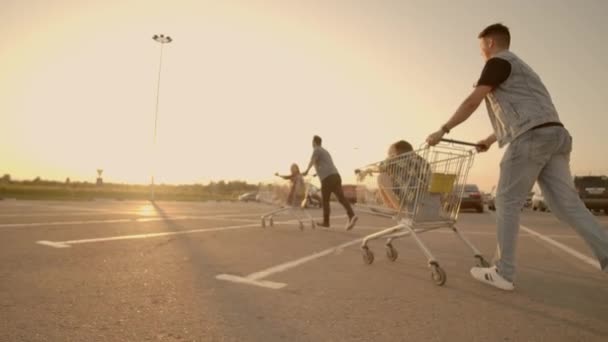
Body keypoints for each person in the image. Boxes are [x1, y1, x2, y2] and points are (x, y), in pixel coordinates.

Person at [426, 23, 608, 291]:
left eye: (481, 49)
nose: (482, 55)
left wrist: (443, 129)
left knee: (506, 200)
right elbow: (523, 111)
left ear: (489, 43)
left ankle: (504, 271)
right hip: (555, 135)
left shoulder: (498, 61)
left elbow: (472, 101)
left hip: (532, 138)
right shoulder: (524, 70)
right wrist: (490, 140)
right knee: (567, 205)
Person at [302, 135, 358, 230]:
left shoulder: (316, 150)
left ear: (314, 142)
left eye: (312, 142)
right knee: (341, 198)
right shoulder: (325, 151)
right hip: (335, 176)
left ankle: (326, 222)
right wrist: (317, 173)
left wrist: (307, 170)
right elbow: (326, 164)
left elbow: (312, 161)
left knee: (325, 201)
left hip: (327, 179)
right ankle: (351, 215)